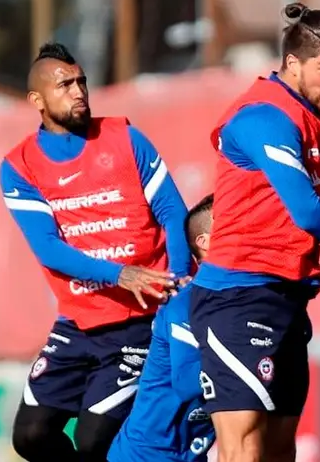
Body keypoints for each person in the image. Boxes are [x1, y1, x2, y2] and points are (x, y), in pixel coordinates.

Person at [189, 3, 320, 462]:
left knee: (280, 449)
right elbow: (305, 212)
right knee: (243, 448)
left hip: (285, 297)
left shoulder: (315, 118)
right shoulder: (263, 115)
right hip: (237, 297)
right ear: (291, 64)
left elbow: (302, 201)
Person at [0, 43, 189, 462]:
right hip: (77, 324)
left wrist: (175, 285)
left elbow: (173, 212)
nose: (79, 91)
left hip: (138, 321)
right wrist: (120, 273)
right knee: (30, 436)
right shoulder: (19, 166)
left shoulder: (125, 137)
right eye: (65, 84)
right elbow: (48, 249)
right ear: (37, 100)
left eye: (81, 81)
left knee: (93, 441)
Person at [108, 193, 217, 461]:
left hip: (189, 454)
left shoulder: (239, 302)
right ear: (205, 243)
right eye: (231, 222)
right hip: (144, 456)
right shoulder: (187, 302)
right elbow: (188, 383)